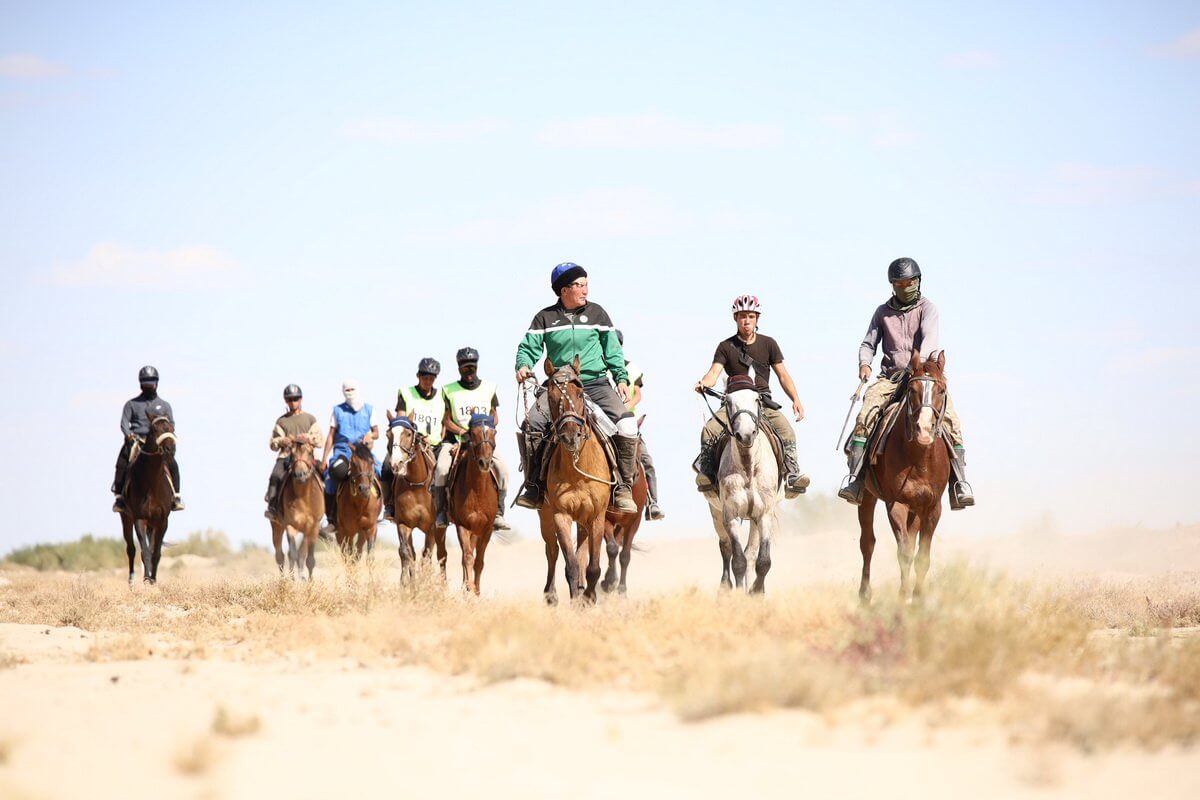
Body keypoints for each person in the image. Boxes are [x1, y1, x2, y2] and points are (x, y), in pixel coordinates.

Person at [838, 257, 975, 509]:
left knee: (951, 420)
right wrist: (864, 363)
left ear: (918, 281)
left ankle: (960, 483)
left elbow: (929, 339)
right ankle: (855, 479)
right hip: (889, 378)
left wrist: (919, 364)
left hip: (922, 375)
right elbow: (868, 343)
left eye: (910, 282)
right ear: (893, 285)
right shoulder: (882, 312)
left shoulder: (928, 308)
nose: (905, 286)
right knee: (865, 415)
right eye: (900, 283)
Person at [513, 262, 643, 513]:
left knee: (627, 426)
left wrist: (621, 378)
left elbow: (613, 350)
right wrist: (523, 365)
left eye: (586, 283)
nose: (586, 290)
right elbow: (528, 348)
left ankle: (623, 488)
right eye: (580, 285)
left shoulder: (598, 314)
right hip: (558, 386)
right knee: (531, 425)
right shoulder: (544, 318)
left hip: (595, 383)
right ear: (564, 289)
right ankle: (534, 486)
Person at [692, 295, 811, 498]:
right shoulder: (725, 346)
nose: (746, 321)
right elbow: (714, 373)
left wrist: (796, 399)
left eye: (750, 316)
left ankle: (791, 476)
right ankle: (709, 476)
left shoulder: (769, 344)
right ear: (735, 319)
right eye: (741, 316)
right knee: (709, 431)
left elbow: (783, 375)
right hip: (735, 404)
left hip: (762, 402)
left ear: (757, 318)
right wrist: (704, 382)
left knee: (787, 431)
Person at [436, 348, 511, 530]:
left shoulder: (489, 388)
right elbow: (446, 419)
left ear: (476, 366)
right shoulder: (448, 390)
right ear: (459, 368)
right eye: (464, 367)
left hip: (483, 442)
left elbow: (495, 416)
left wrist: (485, 432)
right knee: (441, 468)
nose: (468, 371)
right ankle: (442, 511)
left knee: (503, 470)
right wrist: (464, 433)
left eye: (471, 367)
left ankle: (499, 513)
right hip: (456, 441)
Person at [112, 365, 184, 512]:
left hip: (157, 442)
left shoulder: (164, 405)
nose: (148, 385)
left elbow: (171, 423)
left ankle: (176, 496)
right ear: (140, 384)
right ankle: (119, 498)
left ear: (156, 383)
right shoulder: (131, 404)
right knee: (122, 461)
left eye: (151, 382)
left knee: (173, 463)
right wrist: (129, 436)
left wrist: (166, 436)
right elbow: (124, 423)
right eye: (145, 382)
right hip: (137, 440)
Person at [383, 357, 447, 522]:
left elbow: (445, 421)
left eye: (431, 378)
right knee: (386, 466)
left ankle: (446, 507)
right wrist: (416, 437)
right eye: (424, 377)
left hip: (435, 445)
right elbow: (401, 421)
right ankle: (390, 505)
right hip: (410, 446)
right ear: (418, 376)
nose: (428, 381)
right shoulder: (406, 393)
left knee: (450, 469)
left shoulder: (442, 396)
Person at [319, 379, 381, 533]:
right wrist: (324, 458)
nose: (350, 392)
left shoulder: (369, 410)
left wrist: (370, 435)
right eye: (347, 390)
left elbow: (377, 432)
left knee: (382, 471)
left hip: (363, 452)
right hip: (343, 452)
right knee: (332, 476)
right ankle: (332, 518)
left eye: (352, 389)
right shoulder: (337, 410)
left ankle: (384, 510)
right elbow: (331, 435)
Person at [615, 329, 664, 521]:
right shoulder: (594, 368)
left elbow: (637, 395)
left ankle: (652, 503)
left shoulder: (631, 368)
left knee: (646, 462)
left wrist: (623, 408)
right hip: (601, 419)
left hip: (626, 420)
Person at [264, 384, 322, 521]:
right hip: (287, 456)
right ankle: (272, 507)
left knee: (326, 475)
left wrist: (308, 438)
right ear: (286, 401)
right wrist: (281, 441)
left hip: (307, 456)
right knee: (275, 476)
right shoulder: (281, 421)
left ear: (301, 399)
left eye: (296, 399)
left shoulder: (310, 419)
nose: (293, 402)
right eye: (290, 399)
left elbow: (320, 441)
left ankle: (330, 512)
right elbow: (272, 444)